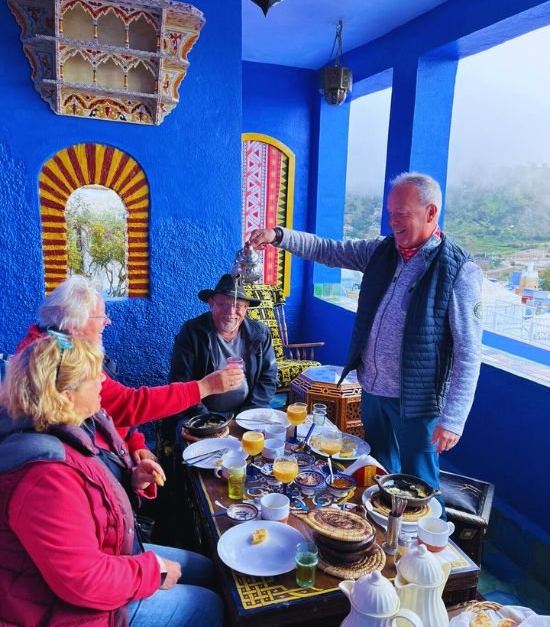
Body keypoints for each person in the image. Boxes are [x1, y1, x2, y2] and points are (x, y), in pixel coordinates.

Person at [248, 172, 483, 498]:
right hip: (372, 390)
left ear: (431, 213)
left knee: (421, 488)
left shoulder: (458, 271)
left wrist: (453, 419)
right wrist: (278, 236)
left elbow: (469, 352)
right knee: (378, 473)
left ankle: (427, 547)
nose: (393, 223)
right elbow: (328, 250)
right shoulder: (383, 251)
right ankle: (384, 540)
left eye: (403, 213)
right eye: (390, 213)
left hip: (417, 402)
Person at [0, 335, 224, 626]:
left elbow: (88, 500)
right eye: (95, 376)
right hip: (65, 611)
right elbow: (83, 580)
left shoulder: (72, 427)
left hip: (108, 552)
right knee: (208, 605)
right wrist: (152, 570)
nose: (103, 383)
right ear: (66, 394)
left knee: (209, 569)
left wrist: (132, 480)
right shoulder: (44, 473)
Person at [17, 275, 244, 460]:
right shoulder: (56, 359)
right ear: (75, 322)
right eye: (101, 316)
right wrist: (205, 387)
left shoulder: (58, 340)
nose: (107, 322)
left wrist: (134, 442)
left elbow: (108, 409)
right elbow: (128, 404)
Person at [167, 274, 278, 443]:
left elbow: (268, 379)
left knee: (269, 444)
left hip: (247, 412)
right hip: (199, 413)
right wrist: (210, 422)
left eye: (238, 306)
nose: (231, 312)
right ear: (211, 303)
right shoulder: (192, 332)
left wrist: (247, 415)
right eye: (223, 304)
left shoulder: (260, 334)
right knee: (199, 451)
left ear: (246, 307)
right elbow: (180, 381)